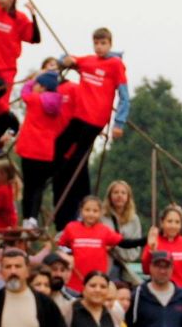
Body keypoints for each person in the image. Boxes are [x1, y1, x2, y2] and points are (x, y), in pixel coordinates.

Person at [53, 30, 130, 224]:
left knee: (77, 159)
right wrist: (66, 60)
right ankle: (62, 189)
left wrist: (118, 123)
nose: (99, 47)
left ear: (110, 44)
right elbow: (66, 59)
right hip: (80, 116)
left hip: (95, 119)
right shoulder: (88, 61)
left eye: (103, 43)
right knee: (60, 147)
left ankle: (83, 202)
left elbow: (124, 96)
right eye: (96, 43)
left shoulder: (115, 64)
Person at [14, 66, 74, 230]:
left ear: (42, 86)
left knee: (29, 185)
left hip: (29, 149)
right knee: (38, 186)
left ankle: (27, 218)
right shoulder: (57, 105)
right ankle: (33, 218)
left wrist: (35, 78)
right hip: (45, 151)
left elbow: (24, 92)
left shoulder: (35, 100)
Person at [58, 194, 144, 294]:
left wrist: (145, 240)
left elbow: (125, 243)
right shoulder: (71, 228)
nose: (91, 214)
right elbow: (61, 246)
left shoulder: (104, 230)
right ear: (81, 211)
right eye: (87, 210)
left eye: (95, 211)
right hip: (74, 284)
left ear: (100, 213)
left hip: (97, 285)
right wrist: (67, 256)